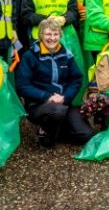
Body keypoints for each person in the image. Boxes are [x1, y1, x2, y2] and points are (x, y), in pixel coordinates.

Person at [15, 19, 93, 149]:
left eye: (55, 34)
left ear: (60, 35)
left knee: (86, 135)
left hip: (63, 101)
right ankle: (45, 131)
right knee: (57, 111)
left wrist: (65, 97)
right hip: (40, 104)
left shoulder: (66, 54)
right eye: (48, 34)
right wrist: (47, 96)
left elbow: (76, 79)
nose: (52, 38)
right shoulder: (30, 56)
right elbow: (23, 86)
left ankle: (55, 132)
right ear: (40, 35)